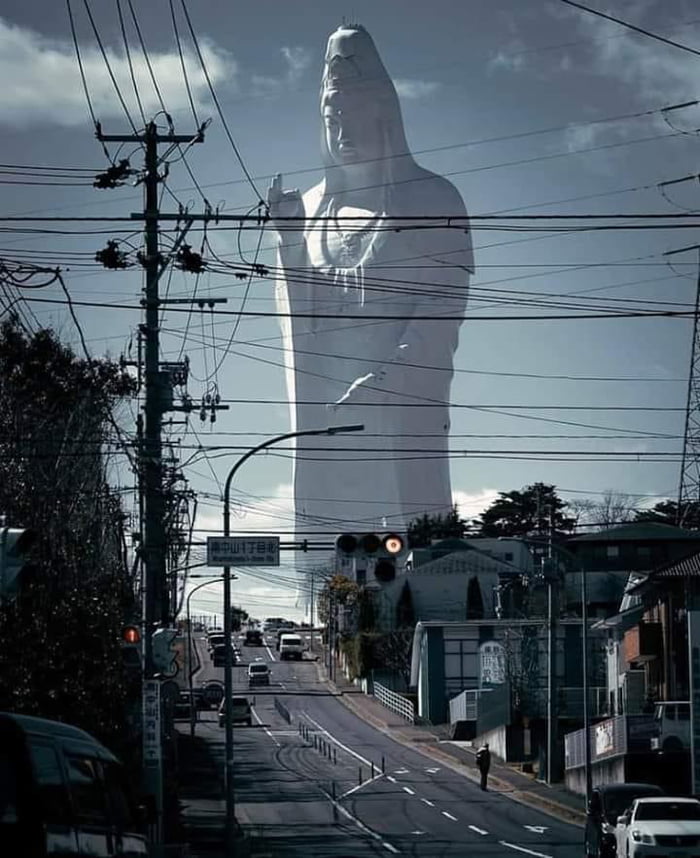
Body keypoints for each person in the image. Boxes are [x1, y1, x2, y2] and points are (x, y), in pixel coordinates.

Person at [268, 24, 474, 535]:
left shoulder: (432, 199)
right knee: (324, 535)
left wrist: (386, 380)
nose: (343, 133)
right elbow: (298, 326)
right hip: (325, 417)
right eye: (332, 118)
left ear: (385, 114)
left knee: (407, 526)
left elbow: (442, 315)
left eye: (355, 116)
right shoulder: (311, 206)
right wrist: (289, 243)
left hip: (398, 409)